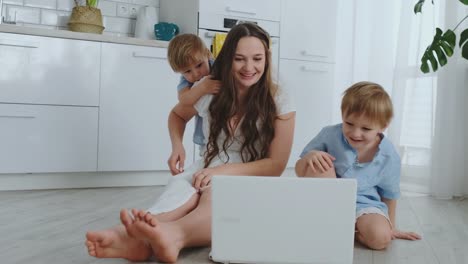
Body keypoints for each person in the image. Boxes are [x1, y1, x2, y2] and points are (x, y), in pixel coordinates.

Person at [85, 22, 296, 263]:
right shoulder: (210, 88)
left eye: (257, 59)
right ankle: (129, 235)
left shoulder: (279, 98)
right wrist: (178, 146)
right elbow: (177, 114)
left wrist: (221, 171)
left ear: (267, 59)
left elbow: (276, 165)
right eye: (239, 59)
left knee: (214, 196)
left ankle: (174, 236)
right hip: (209, 164)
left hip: (250, 172)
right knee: (182, 189)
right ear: (228, 59)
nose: (249, 67)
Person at [295, 81, 421, 250]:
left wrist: (391, 226)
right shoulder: (329, 134)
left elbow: (390, 194)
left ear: (382, 127)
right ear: (342, 116)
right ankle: (328, 223)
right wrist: (310, 157)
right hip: (327, 200)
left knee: (381, 239)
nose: (355, 133)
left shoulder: (389, 156)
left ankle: (350, 230)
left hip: (364, 204)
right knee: (318, 162)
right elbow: (299, 169)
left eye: (366, 128)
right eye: (349, 124)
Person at [167, 33, 221, 174]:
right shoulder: (190, 83)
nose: (196, 74)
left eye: (199, 65)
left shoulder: (220, 68)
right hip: (207, 142)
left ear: (208, 54)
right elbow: (184, 100)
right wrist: (202, 88)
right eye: (187, 71)